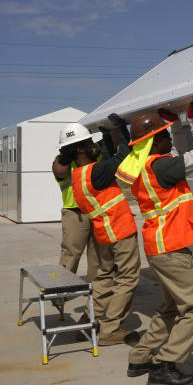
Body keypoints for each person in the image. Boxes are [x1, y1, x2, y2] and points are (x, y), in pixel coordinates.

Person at [118, 103, 193, 385]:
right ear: (154, 140)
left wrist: (177, 123)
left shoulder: (148, 167)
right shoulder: (162, 167)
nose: (169, 138)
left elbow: (179, 154)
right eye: (165, 134)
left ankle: (141, 356)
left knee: (171, 307)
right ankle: (165, 365)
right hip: (171, 248)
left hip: (158, 247)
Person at [64, 115, 142, 346]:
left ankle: (88, 321)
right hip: (119, 231)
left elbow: (107, 158)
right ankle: (110, 329)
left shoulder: (81, 174)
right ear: (80, 149)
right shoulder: (96, 173)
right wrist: (122, 128)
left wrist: (107, 134)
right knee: (128, 278)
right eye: (89, 143)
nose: (93, 145)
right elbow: (122, 157)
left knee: (104, 278)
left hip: (104, 234)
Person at [52, 125, 102, 281]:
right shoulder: (62, 160)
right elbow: (59, 171)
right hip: (75, 213)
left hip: (96, 210)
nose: (89, 145)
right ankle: (61, 288)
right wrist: (70, 153)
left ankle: (96, 288)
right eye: (85, 143)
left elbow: (110, 146)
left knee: (97, 254)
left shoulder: (94, 153)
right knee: (71, 253)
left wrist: (111, 128)